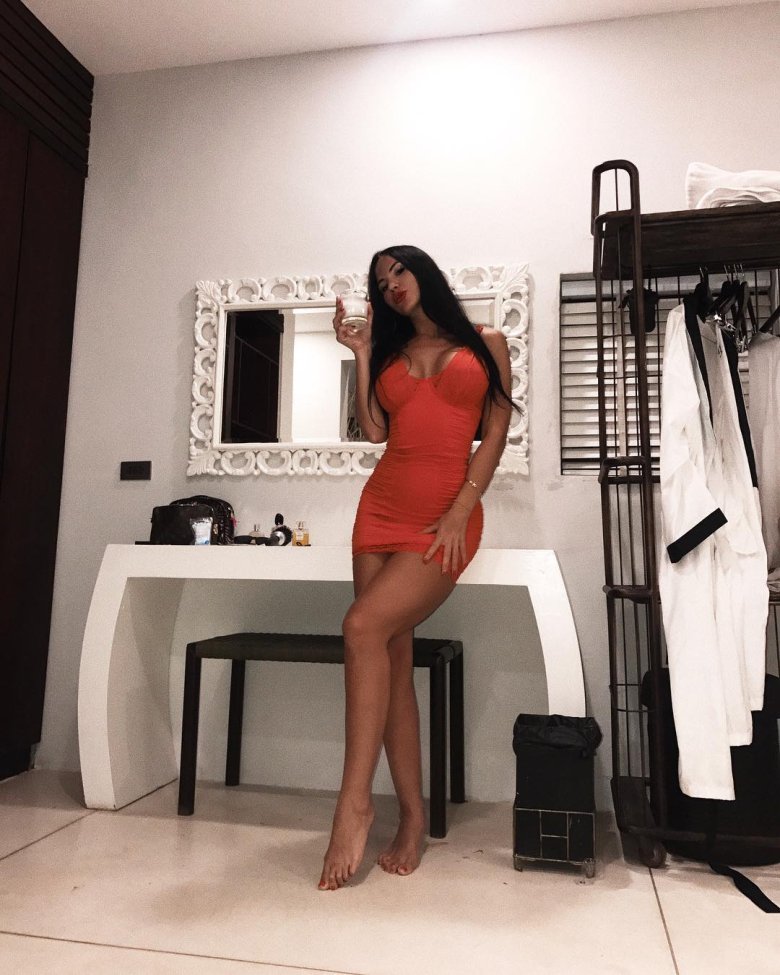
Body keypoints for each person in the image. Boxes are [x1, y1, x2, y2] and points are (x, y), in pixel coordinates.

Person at [318, 245, 513, 891]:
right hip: (380, 510)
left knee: (360, 626)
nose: (392, 285)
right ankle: (412, 817)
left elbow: (495, 431)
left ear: (423, 272)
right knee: (391, 659)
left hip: (442, 516)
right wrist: (361, 353)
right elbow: (375, 431)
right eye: (381, 282)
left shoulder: (485, 341)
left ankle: (353, 803)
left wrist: (461, 511)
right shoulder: (390, 353)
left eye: (399, 271)